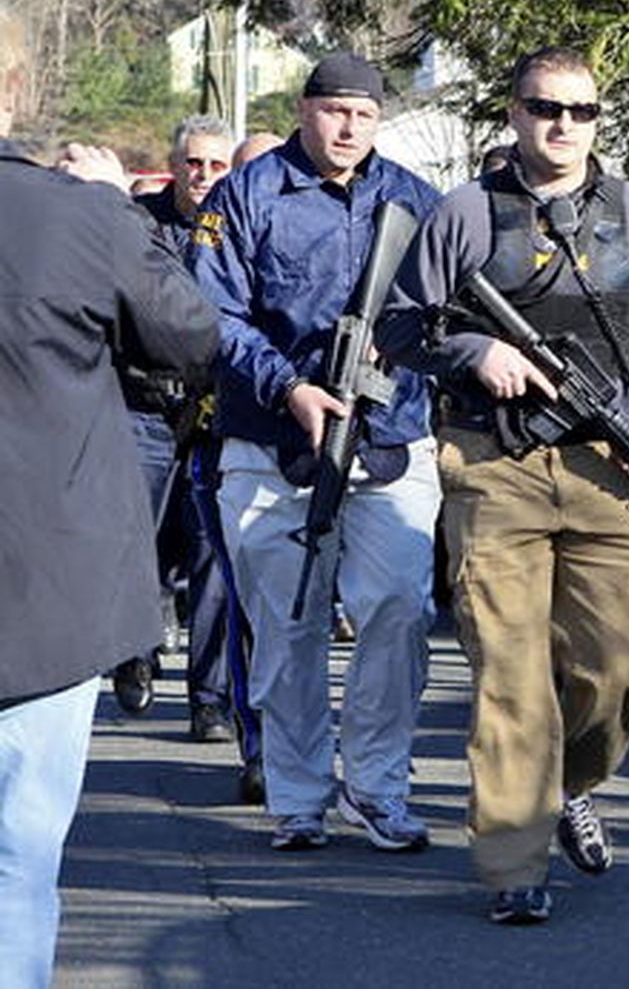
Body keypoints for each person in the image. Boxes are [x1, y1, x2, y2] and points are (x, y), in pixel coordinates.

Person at [376, 46, 629, 925]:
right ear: (515, 112)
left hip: (611, 465)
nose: (563, 125)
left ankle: (566, 784)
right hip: (496, 467)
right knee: (511, 675)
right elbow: (400, 326)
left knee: (620, 669)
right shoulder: (465, 213)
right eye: (544, 107)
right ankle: (513, 865)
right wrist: (474, 350)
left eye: (581, 110)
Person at [0, 4, 220, 984]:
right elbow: (192, 336)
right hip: (52, 578)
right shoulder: (81, 218)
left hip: (52, 574)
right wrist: (118, 212)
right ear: (15, 93)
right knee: (20, 853)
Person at [190, 51, 443, 853]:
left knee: (398, 610)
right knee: (288, 625)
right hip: (273, 445)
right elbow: (213, 313)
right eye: (335, 111)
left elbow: (452, 310)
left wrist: (407, 349)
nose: (349, 128)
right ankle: (299, 795)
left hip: (389, 440)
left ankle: (377, 786)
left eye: (365, 115)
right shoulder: (246, 195)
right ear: (304, 110)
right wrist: (288, 387)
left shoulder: (417, 200)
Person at [110, 115, 239, 745]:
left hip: (214, 412)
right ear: (173, 165)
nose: (204, 175)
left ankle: (210, 700)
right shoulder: (139, 224)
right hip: (146, 406)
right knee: (138, 540)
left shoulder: (237, 226)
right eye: (193, 163)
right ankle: (133, 651)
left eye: (217, 165)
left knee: (213, 554)